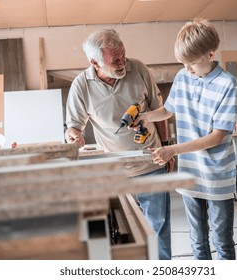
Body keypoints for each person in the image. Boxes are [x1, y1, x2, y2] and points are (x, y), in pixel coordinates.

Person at [132, 19, 237, 260]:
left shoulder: (227, 84)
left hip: (216, 175)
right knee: (197, 242)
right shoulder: (183, 76)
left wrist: (174, 150)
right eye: (183, 63)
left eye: (191, 63)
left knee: (221, 241)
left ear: (211, 54)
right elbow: (169, 110)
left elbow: (216, 137)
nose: (187, 68)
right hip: (190, 174)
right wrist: (145, 116)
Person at [64, 29, 173, 260]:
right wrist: (74, 136)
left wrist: (166, 147)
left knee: (158, 227)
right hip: (113, 171)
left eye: (123, 55)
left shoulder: (139, 69)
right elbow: (72, 127)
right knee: (121, 231)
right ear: (95, 62)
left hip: (151, 163)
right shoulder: (81, 85)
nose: (123, 62)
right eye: (115, 60)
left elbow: (159, 112)